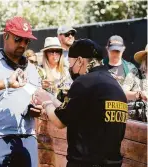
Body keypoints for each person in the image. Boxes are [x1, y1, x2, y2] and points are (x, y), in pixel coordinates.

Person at [33, 39, 128, 167]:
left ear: (80, 60)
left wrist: (46, 102)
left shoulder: (84, 82)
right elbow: (72, 108)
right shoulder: (114, 85)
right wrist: (51, 97)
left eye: (70, 62)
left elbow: (59, 121)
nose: (70, 68)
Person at [0, 16, 42, 167]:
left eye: (26, 41)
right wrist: (6, 83)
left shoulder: (32, 69)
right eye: (18, 39)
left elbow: (37, 98)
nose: (23, 44)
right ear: (6, 36)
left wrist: (35, 109)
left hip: (27, 136)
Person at [122, 44, 147, 121]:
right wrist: (139, 94)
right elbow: (122, 93)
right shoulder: (135, 73)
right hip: (138, 121)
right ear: (146, 57)